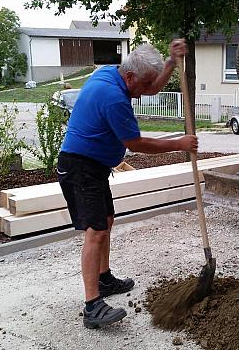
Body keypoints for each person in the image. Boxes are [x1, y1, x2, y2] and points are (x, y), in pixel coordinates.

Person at [56, 40, 198, 329]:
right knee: (95, 231)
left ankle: (104, 278)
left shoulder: (112, 74)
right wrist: (179, 143)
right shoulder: (113, 97)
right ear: (131, 76)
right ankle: (92, 306)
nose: (147, 91)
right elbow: (136, 143)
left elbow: (151, 87)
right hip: (79, 167)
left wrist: (171, 62)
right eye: (143, 84)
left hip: (93, 166)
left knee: (106, 220)